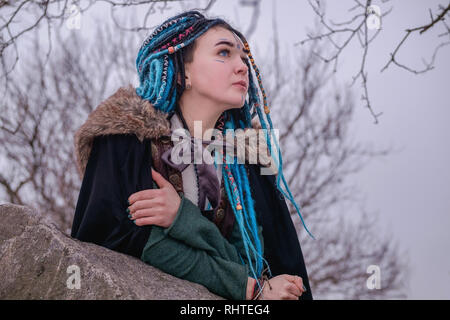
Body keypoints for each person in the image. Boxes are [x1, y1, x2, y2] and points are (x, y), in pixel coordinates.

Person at [71, 10, 314, 300]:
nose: (242, 67)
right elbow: (115, 240)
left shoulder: (249, 162)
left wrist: (181, 218)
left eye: (243, 58)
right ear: (182, 71)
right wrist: (243, 285)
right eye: (224, 52)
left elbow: (263, 270)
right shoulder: (125, 139)